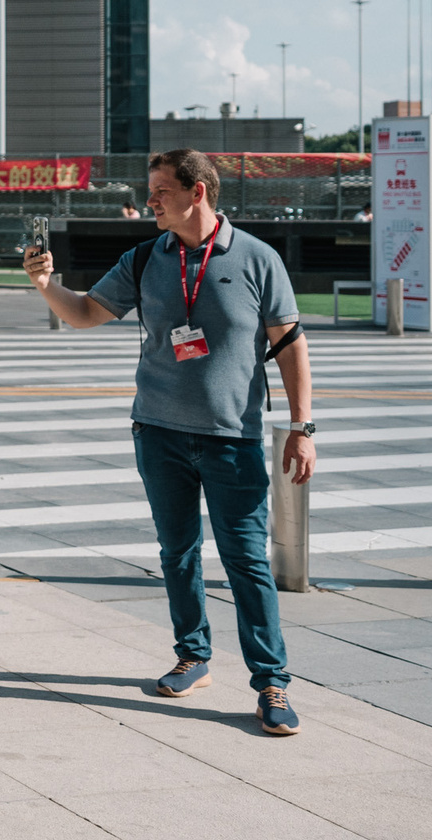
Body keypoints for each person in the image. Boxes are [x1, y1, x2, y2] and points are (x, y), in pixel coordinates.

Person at [24, 148, 312, 737]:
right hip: (157, 433)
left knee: (246, 561)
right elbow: (85, 314)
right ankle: (194, 656)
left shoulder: (258, 260)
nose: (149, 200)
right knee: (176, 553)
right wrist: (45, 284)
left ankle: (271, 683)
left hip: (233, 438)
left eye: (159, 190)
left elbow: (289, 347)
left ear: (196, 192)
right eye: (150, 190)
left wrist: (302, 428)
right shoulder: (144, 258)